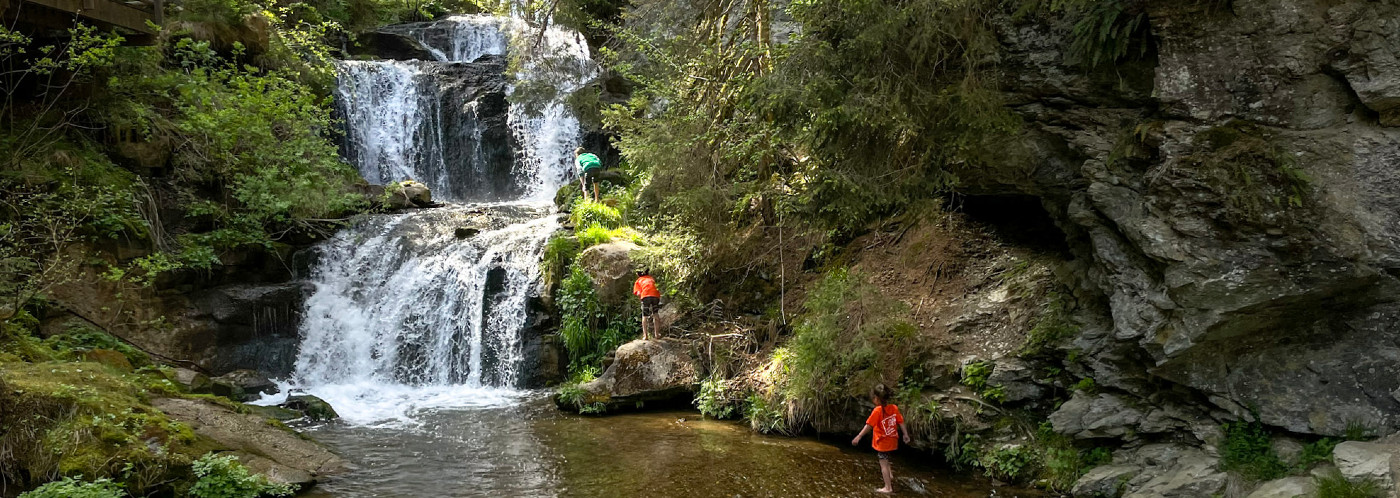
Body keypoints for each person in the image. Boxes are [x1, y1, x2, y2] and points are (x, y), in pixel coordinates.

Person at [851, 384, 910, 494]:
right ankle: (890, 475)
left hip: (882, 443)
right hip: (892, 442)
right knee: (887, 458)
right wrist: (905, 434)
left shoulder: (877, 411)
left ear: (877, 399)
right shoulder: (894, 408)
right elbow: (901, 421)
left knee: (883, 464)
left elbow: (868, 425)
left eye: (873, 397)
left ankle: (888, 487)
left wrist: (858, 437)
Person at [632, 269, 661, 340]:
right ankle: (657, 334)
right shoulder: (651, 278)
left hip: (645, 296)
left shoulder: (638, 281)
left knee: (644, 316)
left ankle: (645, 336)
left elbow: (638, 293)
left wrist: (641, 298)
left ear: (638, 274)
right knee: (655, 313)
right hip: (655, 296)